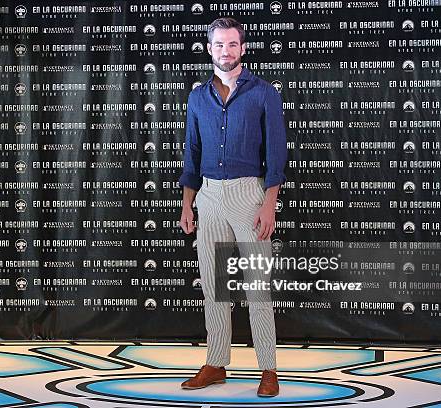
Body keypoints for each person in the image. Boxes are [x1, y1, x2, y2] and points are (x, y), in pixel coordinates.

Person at [178, 17, 287, 397]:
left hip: (248, 195)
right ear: (209, 49)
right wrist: (187, 204)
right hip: (208, 196)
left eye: (232, 44)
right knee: (214, 286)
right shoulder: (197, 98)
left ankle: (268, 368)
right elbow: (191, 153)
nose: (226, 51)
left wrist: (269, 204)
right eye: (219, 45)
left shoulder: (264, 93)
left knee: (257, 287)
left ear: (243, 48)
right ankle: (216, 362)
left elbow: (276, 154)